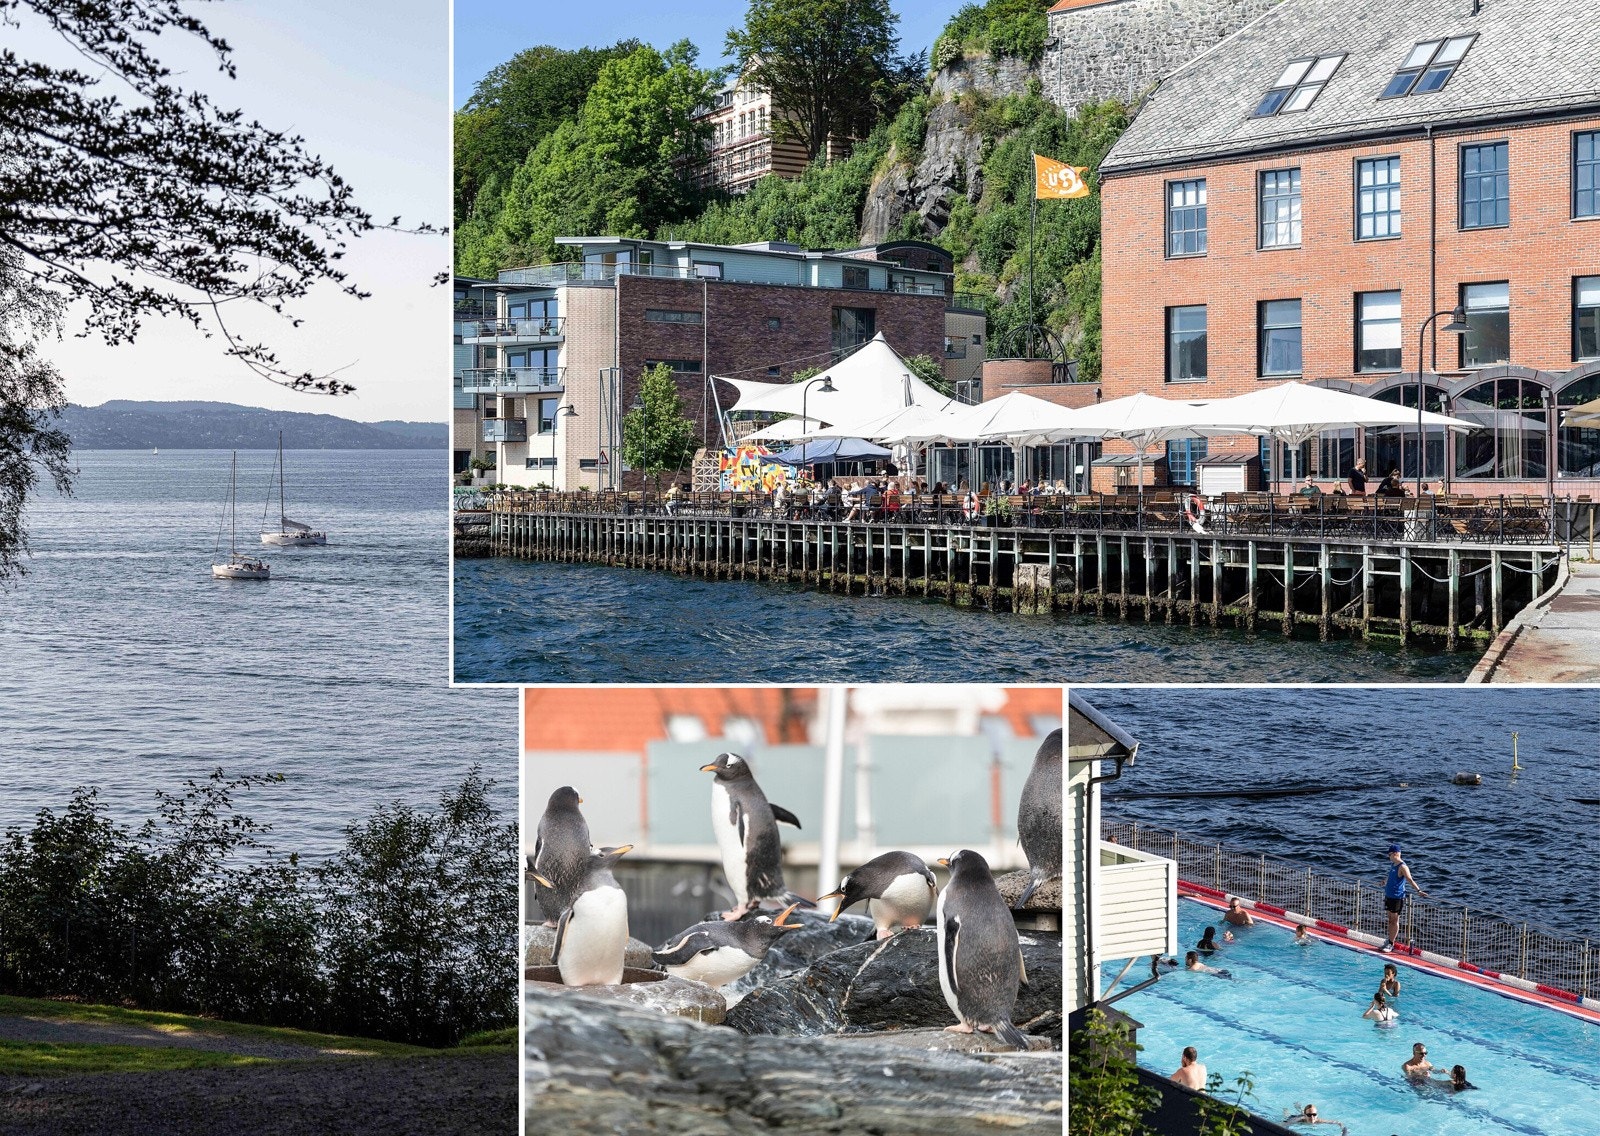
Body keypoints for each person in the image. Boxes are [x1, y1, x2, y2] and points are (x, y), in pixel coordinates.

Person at [1381, 844, 1429, 952]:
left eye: (1389, 855)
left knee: (1394, 920)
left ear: (1395, 854)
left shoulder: (1403, 867)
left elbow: (1410, 879)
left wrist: (1418, 891)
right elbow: (1390, 876)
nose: (1389, 857)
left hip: (1397, 897)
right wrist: (1384, 881)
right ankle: (1389, 939)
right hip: (1389, 895)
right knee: (1390, 919)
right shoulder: (1393, 864)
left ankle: (1391, 943)